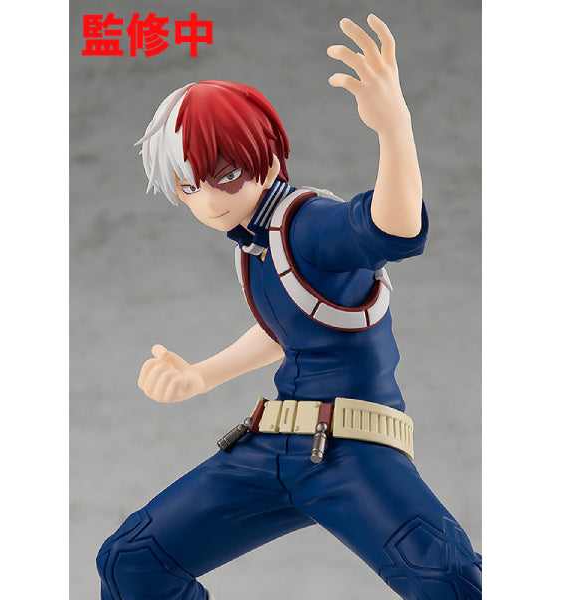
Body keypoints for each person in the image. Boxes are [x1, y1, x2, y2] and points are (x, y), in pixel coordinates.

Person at [97, 15, 482, 600]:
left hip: (352, 452)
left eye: (225, 175)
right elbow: (285, 329)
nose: (207, 201)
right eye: (189, 186)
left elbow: (393, 230)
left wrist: (394, 129)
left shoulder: (307, 224)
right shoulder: (253, 243)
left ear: (270, 161)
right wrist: (201, 375)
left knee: (451, 583)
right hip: (272, 448)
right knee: (132, 561)